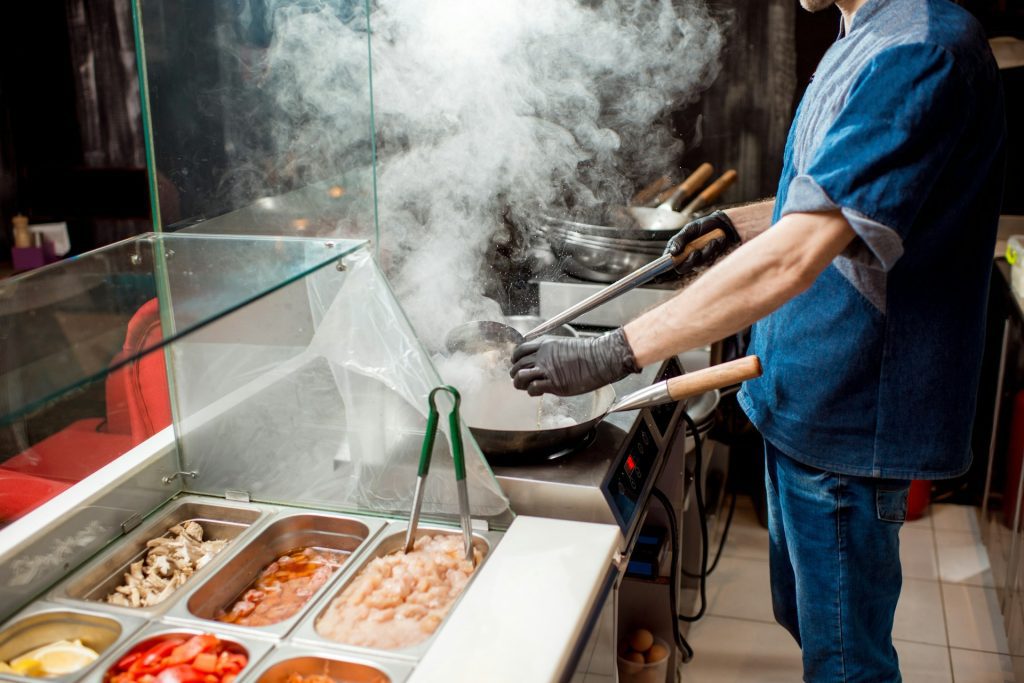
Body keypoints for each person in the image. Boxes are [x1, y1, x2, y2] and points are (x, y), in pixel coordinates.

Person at [510, 0, 1006, 680]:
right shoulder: (864, 34)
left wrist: (611, 351)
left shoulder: (919, 51)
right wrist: (739, 226)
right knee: (808, 623)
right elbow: (825, 205)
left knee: (845, 660)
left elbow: (796, 254)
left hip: (850, 413)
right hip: (803, 398)